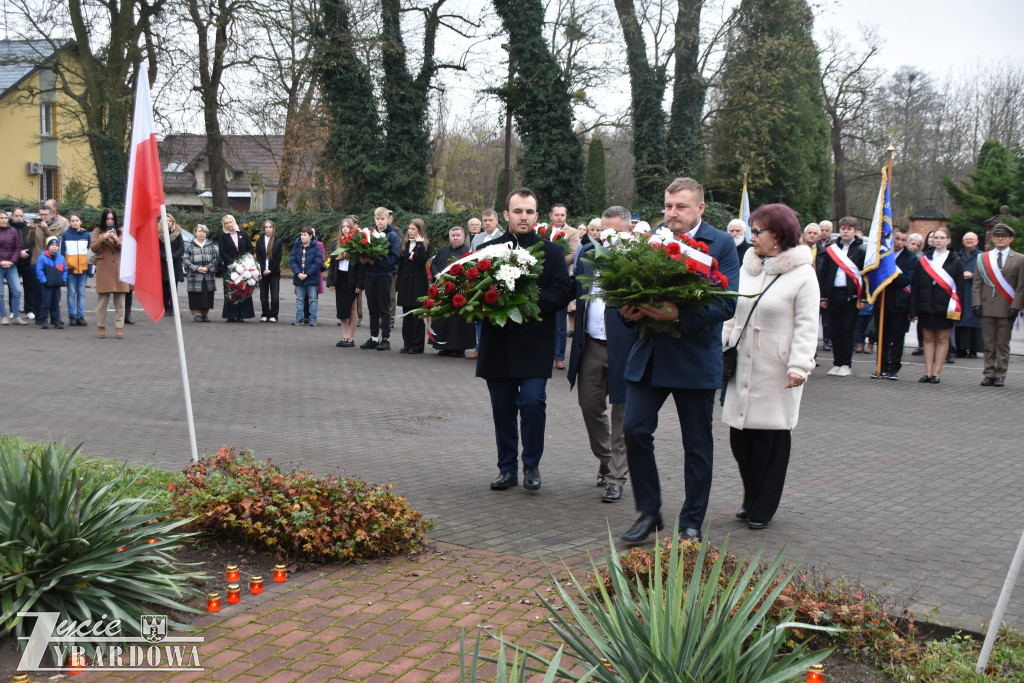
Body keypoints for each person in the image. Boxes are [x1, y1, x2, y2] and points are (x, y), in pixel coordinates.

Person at [619, 177, 740, 545]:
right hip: (651, 356)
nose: (672, 213)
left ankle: (691, 522)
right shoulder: (652, 240)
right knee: (634, 429)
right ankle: (649, 511)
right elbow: (627, 289)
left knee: (697, 445)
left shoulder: (721, 244)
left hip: (694, 359)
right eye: (669, 206)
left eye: (681, 207)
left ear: (700, 208)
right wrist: (629, 312)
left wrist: (678, 316)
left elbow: (727, 302)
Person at [722, 204, 818, 531]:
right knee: (740, 439)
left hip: (777, 367)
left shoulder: (803, 273)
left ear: (776, 235)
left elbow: (808, 324)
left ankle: (763, 505)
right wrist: (724, 344)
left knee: (770, 440)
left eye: (757, 231)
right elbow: (734, 312)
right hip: (743, 361)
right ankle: (751, 496)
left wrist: (799, 366)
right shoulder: (748, 267)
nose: (751, 237)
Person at [479, 187, 574, 491]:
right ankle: (507, 468)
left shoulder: (552, 251)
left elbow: (562, 292)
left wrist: (524, 300)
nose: (524, 217)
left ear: (537, 215)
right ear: (506, 215)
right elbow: (475, 292)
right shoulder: (489, 250)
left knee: (533, 403)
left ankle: (531, 464)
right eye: (518, 211)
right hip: (498, 344)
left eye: (529, 211)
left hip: (535, 343)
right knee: (503, 410)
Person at [567, 205, 638, 502]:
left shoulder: (638, 256)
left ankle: (616, 477)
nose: (607, 239)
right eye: (602, 232)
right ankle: (606, 458)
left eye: (615, 233)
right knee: (589, 405)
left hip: (626, 345)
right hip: (591, 342)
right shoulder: (586, 254)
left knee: (621, 411)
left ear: (629, 230)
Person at [908, 227, 963, 384]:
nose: (938, 240)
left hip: (946, 306)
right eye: (936, 238)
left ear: (948, 240)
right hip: (926, 304)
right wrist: (914, 308)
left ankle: (937, 373)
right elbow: (916, 285)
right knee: (928, 338)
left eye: (942, 238)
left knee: (942, 338)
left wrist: (958, 309)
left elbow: (959, 288)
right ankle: (928, 372)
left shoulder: (955, 261)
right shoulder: (925, 260)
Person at [973, 223, 1024, 386]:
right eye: (997, 236)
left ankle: (1000, 374)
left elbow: (1021, 286)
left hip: (1006, 307)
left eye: (1003, 236)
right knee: (988, 344)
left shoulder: (1019, 259)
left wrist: (1016, 306)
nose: (1000, 238)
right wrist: (976, 303)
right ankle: (989, 373)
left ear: (1010, 239)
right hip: (987, 306)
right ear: (993, 238)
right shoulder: (983, 258)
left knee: (1002, 344)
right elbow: (977, 283)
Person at [818, 216, 866, 377]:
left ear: (855, 231)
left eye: (849, 229)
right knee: (834, 330)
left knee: (847, 329)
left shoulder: (861, 249)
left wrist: (863, 297)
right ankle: (836, 362)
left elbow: (865, 276)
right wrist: (824, 296)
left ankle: (846, 363)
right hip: (833, 294)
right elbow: (824, 273)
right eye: (843, 228)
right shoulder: (832, 249)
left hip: (850, 295)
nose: (845, 231)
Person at [870, 226, 917, 380]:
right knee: (881, 336)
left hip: (899, 303)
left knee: (896, 338)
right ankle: (881, 367)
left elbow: (904, 281)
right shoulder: (882, 253)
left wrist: (890, 267)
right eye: (896, 239)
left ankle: (894, 368)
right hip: (882, 301)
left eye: (903, 240)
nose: (899, 242)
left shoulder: (911, 258)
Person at [429, 226, 477, 357]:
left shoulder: (468, 252)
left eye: (458, 235)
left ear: (463, 237)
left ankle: (459, 348)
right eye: (453, 236)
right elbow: (433, 264)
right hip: (443, 290)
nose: (455, 238)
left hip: (461, 291)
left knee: (458, 321)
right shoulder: (443, 250)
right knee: (443, 320)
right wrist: (437, 275)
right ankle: (444, 347)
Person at [358, 207, 401, 350]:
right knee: (372, 308)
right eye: (378, 219)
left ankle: (386, 339)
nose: (380, 222)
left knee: (384, 308)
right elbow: (362, 251)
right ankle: (374, 337)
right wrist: (363, 260)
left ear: (388, 219)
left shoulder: (392, 236)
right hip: (370, 276)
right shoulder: (369, 234)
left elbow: (394, 258)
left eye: (383, 219)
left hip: (383, 275)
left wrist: (375, 262)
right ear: (374, 219)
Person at [549, 203, 580, 371]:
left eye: (562, 214)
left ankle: (559, 357)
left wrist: (554, 261)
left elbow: (573, 254)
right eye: (557, 214)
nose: (560, 217)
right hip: (544, 281)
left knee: (560, 322)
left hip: (562, 280)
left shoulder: (573, 233)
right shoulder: (543, 231)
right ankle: (545, 353)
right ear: (551, 216)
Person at [91, 209, 129, 339]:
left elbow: (126, 248)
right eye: (108, 219)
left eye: (112, 219)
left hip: (119, 269)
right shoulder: (98, 231)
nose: (110, 221)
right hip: (105, 268)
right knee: (102, 302)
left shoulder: (121, 232)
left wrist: (116, 239)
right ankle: (101, 326)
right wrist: (104, 237)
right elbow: (93, 248)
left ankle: (119, 327)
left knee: (120, 302)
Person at [396, 219, 432, 354]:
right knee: (407, 315)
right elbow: (401, 266)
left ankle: (417, 346)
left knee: (417, 315)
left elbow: (421, 260)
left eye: (413, 229)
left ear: (419, 231)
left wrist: (419, 245)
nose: (410, 231)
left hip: (418, 285)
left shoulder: (426, 245)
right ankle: (407, 343)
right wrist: (398, 285)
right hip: (406, 284)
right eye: (409, 228)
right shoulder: (404, 244)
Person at [329, 216, 361, 347]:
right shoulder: (336, 244)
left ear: (352, 229)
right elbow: (332, 264)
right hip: (340, 278)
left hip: (351, 279)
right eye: (343, 227)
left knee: (353, 309)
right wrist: (331, 281)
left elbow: (360, 267)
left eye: (348, 226)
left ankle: (351, 337)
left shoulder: (357, 244)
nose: (345, 229)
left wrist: (360, 284)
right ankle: (344, 336)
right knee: (342, 309)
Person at [28, 205, 64, 323]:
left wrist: (45, 229)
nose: (43, 217)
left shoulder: (57, 226)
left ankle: (54, 318)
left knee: (53, 294)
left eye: (45, 215)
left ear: (50, 214)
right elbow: (30, 242)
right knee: (37, 292)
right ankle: (39, 317)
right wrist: (32, 229)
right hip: (37, 261)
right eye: (41, 215)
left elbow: (55, 241)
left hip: (52, 263)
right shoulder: (36, 226)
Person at [217, 214, 255, 322]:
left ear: (234, 222)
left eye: (230, 222)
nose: (229, 225)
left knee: (243, 290)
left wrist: (245, 260)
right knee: (231, 291)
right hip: (230, 268)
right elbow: (222, 252)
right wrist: (233, 263)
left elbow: (250, 248)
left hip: (244, 268)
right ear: (224, 225)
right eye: (226, 223)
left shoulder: (243, 234)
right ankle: (231, 315)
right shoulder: (223, 236)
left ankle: (241, 315)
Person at [60, 213, 91, 326]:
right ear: (69, 222)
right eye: (72, 221)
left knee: (81, 293)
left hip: (83, 269)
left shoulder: (86, 235)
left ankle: (80, 315)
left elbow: (90, 253)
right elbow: (62, 254)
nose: (75, 222)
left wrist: (90, 269)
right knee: (71, 293)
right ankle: (72, 315)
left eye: (77, 220)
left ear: (80, 221)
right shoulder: (65, 235)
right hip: (70, 269)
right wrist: (62, 270)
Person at [956, 231, 983, 357]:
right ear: (963, 241)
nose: (969, 241)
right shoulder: (957, 256)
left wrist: (973, 275)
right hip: (960, 291)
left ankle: (973, 349)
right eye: (967, 239)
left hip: (974, 291)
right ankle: (960, 348)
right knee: (960, 319)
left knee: (974, 320)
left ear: (977, 242)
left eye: (972, 239)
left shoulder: (982, 256)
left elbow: (987, 274)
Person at [183, 224, 218, 322]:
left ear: (206, 233)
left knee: (207, 295)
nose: (201, 233)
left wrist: (208, 268)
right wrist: (196, 268)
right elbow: (185, 260)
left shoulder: (211, 246)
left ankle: (205, 314)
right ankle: (196, 314)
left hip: (208, 275)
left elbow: (216, 259)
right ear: (195, 233)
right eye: (199, 231)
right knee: (195, 296)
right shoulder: (190, 246)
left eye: (203, 232)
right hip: (195, 276)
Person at [290, 227, 323, 326]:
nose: (302, 237)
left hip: (311, 277)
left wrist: (307, 274)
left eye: (304, 235)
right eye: (301, 234)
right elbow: (292, 261)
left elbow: (318, 262)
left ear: (310, 236)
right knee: (300, 299)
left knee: (313, 299)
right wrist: (298, 273)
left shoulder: (316, 247)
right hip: (299, 277)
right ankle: (299, 318)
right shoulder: (296, 246)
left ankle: (312, 319)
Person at [10, 207, 38, 320]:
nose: (19, 218)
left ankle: (29, 310)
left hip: (28, 260)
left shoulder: (28, 227)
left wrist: (28, 252)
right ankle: (13, 310)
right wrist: (18, 253)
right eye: (16, 216)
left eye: (21, 215)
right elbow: (7, 245)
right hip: (14, 262)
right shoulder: (9, 228)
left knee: (29, 287)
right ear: (12, 217)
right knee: (14, 288)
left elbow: (34, 243)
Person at [0, 210, 27, 325]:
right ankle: (4, 317)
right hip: (0, 266)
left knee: (17, 290)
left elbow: (17, 248)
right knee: (0, 293)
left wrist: (12, 261)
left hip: (11, 266)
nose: (4, 220)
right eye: (1, 218)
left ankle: (16, 317)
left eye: (5, 218)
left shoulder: (13, 231)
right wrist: (1, 262)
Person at [35, 235, 67, 328]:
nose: (54, 247)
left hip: (57, 284)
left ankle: (56, 320)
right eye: (52, 245)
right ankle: (44, 320)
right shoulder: (42, 257)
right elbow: (39, 270)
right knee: (45, 303)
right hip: (46, 285)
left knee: (56, 303)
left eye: (56, 245)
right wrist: (44, 281)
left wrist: (63, 280)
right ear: (48, 246)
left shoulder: (61, 258)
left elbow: (65, 270)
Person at [256, 219, 282, 322]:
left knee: (275, 295)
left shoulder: (277, 241)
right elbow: (259, 256)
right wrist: (263, 269)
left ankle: (274, 315)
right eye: (266, 227)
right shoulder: (260, 241)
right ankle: (265, 313)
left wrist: (270, 269)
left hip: (274, 272)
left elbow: (278, 257)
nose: (268, 229)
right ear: (263, 229)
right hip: (263, 272)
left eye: (270, 227)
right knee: (263, 294)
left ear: (273, 228)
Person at [159, 214, 185, 317]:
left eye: (170, 221)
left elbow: (181, 247)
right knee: (165, 287)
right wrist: (165, 256)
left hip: (175, 263)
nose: (168, 223)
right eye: (166, 221)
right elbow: (157, 248)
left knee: (174, 287)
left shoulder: (177, 234)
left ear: (173, 222)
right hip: (163, 263)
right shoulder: (158, 234)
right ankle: (166, 308)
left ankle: (174, 308)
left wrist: (172, 257)